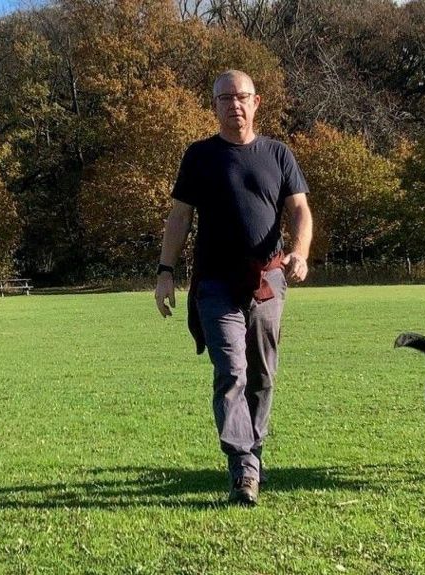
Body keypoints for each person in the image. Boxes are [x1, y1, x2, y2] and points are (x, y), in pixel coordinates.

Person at [155, 70, 313, 506]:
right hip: (215, 284)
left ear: (256, 102)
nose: (234, 105)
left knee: (262, 375)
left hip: (267, 281)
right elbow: (180, 217)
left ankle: (252, 457)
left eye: (241, 97)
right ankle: (243, 465)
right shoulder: (200, 156)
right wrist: (165, 270)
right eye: (225, 99)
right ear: (215, 106)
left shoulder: (278, 154)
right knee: (231, 372)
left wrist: (298, 252)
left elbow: (299, 210)